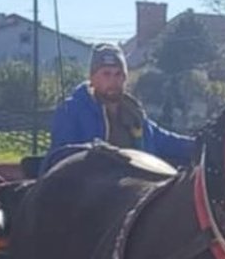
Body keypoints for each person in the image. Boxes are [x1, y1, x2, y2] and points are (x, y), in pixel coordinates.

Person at [41, 42, 197, 174]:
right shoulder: (72, 111)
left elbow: (166, 141)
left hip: (137, 197)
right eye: (106, 74)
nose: (113, 81)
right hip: (88, 198)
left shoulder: (135, 115)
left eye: (118, 74)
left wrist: (203, 144)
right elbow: (60, 159)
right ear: (92, 78)